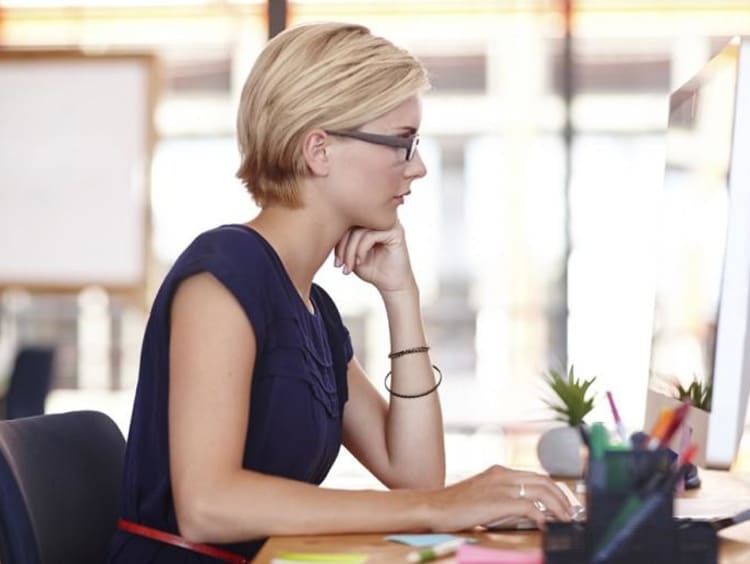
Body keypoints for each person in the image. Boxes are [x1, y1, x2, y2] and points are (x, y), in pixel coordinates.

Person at [107, 22, 576, 564]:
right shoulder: (223, 275)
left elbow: (414, 473)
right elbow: (208, 505)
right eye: (402, 143)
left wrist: (402, 296)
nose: (418, 166)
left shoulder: (312, 309)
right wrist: (438, 508)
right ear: (319, 150)